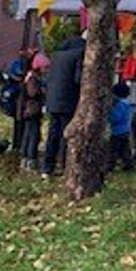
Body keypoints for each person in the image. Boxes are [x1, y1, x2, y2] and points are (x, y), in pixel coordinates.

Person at [41, 35, 85, 179]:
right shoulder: (79, 54)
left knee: (53, 134)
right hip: (68, 100)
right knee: (68, 133)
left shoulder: (57, 55)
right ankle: (66, 165)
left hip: (53, 100)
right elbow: (78, 78)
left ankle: (47, 167)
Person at [18, 53, 46, 173]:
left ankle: (25, 157)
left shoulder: (31, 77)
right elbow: (32, 93)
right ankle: (30, 158)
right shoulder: (33, 78)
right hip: (32, 110)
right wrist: (42, 91)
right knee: (32, 135)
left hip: (29, 110)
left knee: (29, 133)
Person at [108, 81, 134, 172]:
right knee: (125, 149)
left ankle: (110, 165)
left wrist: (109, 114)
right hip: (126, 130)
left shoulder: (119, 105)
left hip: (117, 131)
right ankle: (128, 163)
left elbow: (116, 117)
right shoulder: (128, 104)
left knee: (113, 150)